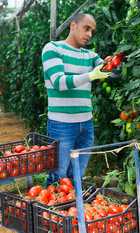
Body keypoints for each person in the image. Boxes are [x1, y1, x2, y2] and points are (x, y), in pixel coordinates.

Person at [42, 13, 122, 186]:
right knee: (58, 176)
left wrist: (118, 63)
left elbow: (110, 71)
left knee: (77, 175)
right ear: (73, 25)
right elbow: (59, 82)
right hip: (61, 124)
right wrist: (91, 75)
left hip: (86, 124)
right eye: (86, 28)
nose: (89, 34)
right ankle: (52, 212)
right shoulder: (53, 49)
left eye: (92, 31)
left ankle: (72, 210)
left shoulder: (90, 55)